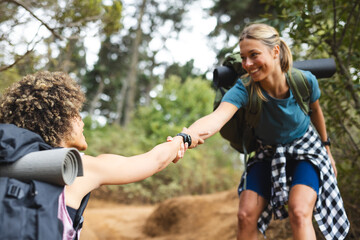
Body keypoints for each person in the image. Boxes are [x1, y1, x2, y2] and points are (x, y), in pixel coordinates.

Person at [178, 23, 349, 240]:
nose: (248, 64)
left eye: (254, 55)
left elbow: (315, 110)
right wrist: (187, 136)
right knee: (245, 215)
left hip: (306, 149)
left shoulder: (303, 81)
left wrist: (327, 148)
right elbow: (217, 118)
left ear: (275, 51)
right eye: (243, 57)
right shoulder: (244, 88)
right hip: (267, 152)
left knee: (299, 211)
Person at [0, 71, 186, 239]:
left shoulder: (6, 165)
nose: (81, 120)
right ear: (58, 120)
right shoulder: (79, 168)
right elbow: (155, 160)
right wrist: (184, 138)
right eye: (74, 113)